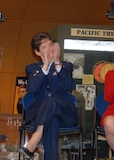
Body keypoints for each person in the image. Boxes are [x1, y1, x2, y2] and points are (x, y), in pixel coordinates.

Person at [19, 32, 78, 160]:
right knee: (51, 122)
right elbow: (32, 88)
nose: (49, 49)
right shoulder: (32, 68)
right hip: (41, 114)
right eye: (44, 47)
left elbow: (68, 86)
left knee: (52, 101)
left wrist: (57, 63)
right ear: (37, 52)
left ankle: (35, 138)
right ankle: (39, 136)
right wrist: (45, 67)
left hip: (64, 113)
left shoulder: (66, 66)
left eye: (50, 45)